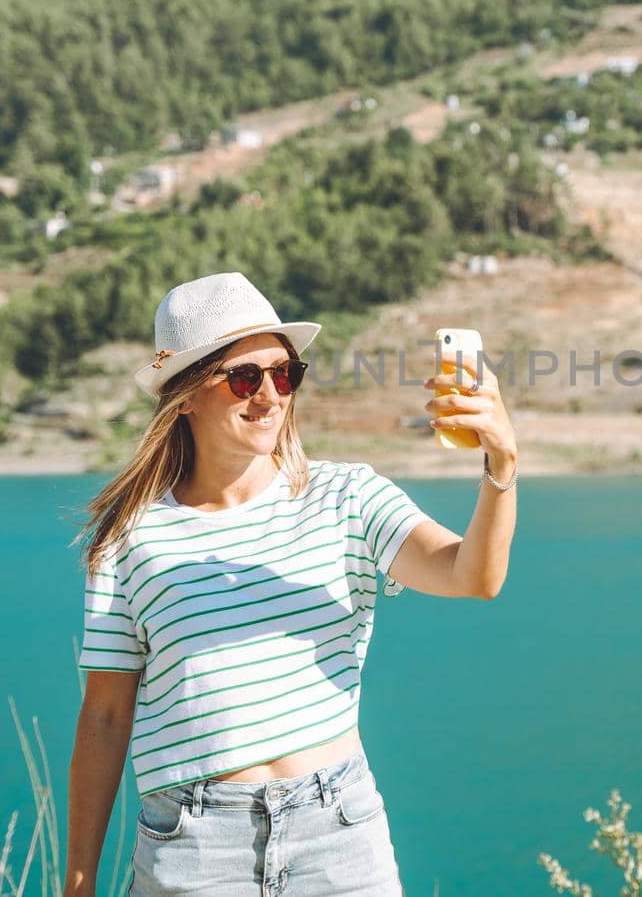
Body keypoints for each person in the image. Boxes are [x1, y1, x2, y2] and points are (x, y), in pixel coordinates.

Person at [63, 271, 518, 896]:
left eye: (285, 373)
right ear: (185, 395)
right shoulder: (129, 538)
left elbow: (474, 575)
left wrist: (502, 465)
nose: (271, 394)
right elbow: (106, 718)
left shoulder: (347, 497)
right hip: (196, 850)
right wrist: (77, 883)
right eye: (245, 377)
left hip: (338, 833)